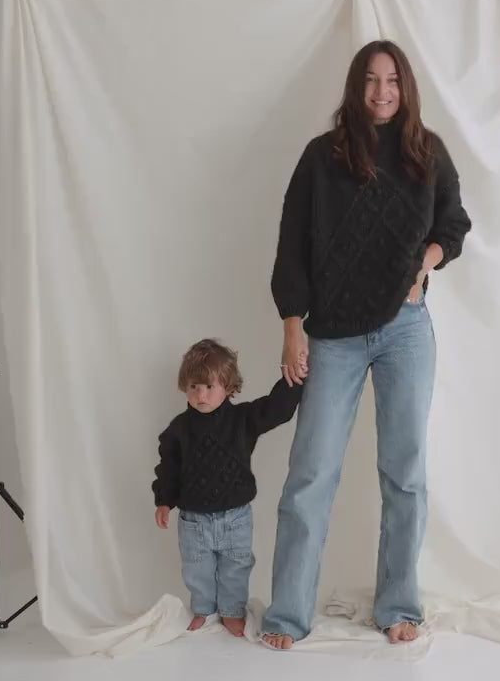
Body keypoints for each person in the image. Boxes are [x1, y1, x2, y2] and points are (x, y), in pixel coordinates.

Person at [260, 40, 472, 650]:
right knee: (310, 475)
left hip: (406, 330)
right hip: (332, 334)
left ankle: (399, 604)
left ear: (406, 88)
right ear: (356, 87)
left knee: (404, 474)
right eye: (372, 81)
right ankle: (288, 614)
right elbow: (291, 244)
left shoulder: (426, 152)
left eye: (393, 81)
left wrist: (426, 261)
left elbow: (453, 222)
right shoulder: (321, 157)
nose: (383, 92)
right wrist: (292, 324)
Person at [152, 338, 304, 636]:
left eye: (210, 386)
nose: (201, 394)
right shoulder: (177, 430)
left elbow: (277, 409)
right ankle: (204, 610)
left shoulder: (242, 419)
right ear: (185, 386)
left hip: (235, 518)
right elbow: (168, 468)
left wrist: (295, 375)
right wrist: (163, 500)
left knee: (236, 566)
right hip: (194, 521)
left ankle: (232, 611)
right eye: (194, 386)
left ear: (229, 387)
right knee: (198, 570)